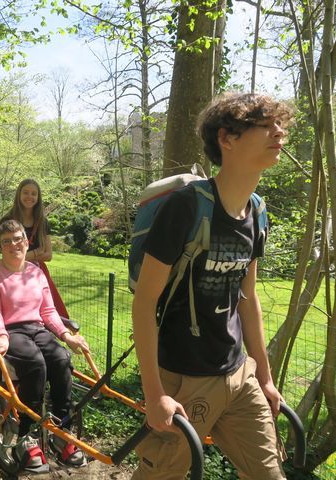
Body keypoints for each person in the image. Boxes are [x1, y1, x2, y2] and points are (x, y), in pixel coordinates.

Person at [131, 93, 294, 480]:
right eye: (266, 125)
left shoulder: (257, 211)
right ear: (228, 138)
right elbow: (145, 302)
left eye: (280, 124)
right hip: (186, 380)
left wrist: (266, 379)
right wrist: (155, 396)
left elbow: (247, 298)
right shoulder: (187, 206)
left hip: (240, 376)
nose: (279, 132)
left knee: (269, 475)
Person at [0, 219, 89, 472]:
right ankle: (26, 436)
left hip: (37, 328)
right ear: (0, 246)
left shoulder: (36, 272)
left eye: (18, 239)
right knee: (35, 363)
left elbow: (49, 311)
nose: (13, 245)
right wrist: (1, 335)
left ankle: (62, 431)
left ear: (27, 243)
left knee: (61, 359)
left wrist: (66, 336)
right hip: (11, 330)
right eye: (6, 241)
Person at [0, 179, 68, 318]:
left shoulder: (42, 221)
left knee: (46, 312)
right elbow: (7, 254)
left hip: (37, 273)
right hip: (13, 273)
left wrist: (20, 255)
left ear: (38, 197)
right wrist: (37, 252)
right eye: (25, 192)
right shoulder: (7, 221)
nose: (29, 197)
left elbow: (48, 255)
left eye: (33, 193)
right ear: (19, 194)